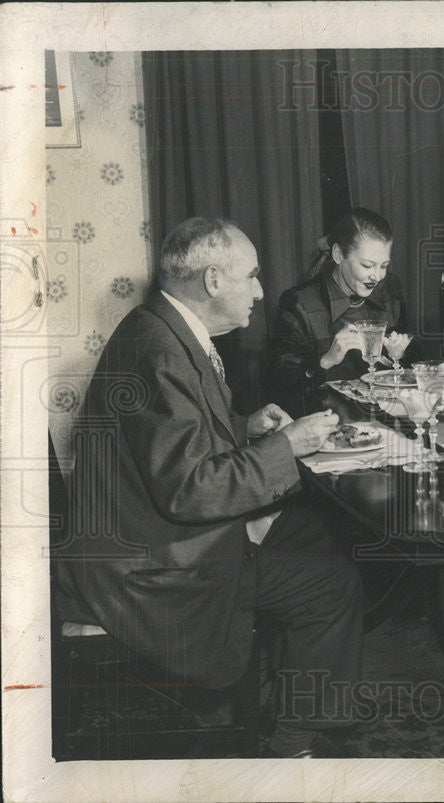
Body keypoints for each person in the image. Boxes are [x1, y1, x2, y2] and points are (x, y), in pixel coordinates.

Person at [55, 217, 364, 758]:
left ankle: (290, 685)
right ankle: (292, 744)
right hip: (149, 569)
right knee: (332, 583)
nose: (262, 290)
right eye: (253, 276)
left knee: (319, 532)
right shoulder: (160, 352)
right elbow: (190, 489)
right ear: (215, 280)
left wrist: (243, 427)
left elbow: (171, 441)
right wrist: (286, 446)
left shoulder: (159, 327)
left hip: (140, 536)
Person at [265, 208, 418, 417]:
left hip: (388, 423)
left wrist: (398, 356)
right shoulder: (299, 304)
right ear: (338, 255)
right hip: (327, 429)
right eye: (367, 265)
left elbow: (415, 374)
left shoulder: (390, 291)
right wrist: (326, 360)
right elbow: (279, 389)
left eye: (384, 266)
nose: (376, 277)